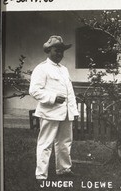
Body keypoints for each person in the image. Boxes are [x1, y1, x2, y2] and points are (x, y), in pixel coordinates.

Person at [29, 35, 79, 181]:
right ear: (49, 51)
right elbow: (34, 90)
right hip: (49, 112)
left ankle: (64, 169)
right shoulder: (41, 68)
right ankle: (41, 174)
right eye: (57, 51)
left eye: (62, 51)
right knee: (45, 143)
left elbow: (70, 92)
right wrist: (53, 97)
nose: (60, 54)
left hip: (66, 113)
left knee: (65, 142)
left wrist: (73, 111)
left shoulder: (64, 70)